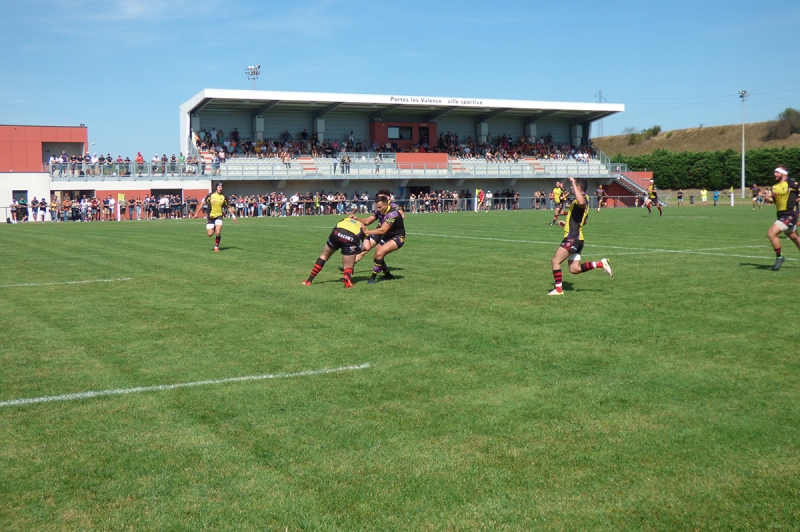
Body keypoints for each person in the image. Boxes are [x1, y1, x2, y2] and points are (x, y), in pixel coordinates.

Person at [549, 177, 613, 296]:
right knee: (574, 269)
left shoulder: (582, 199)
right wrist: (566, 222)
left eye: (573, 186)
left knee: (555, 261)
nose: (571, 188)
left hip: (572, 238)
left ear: (578, 187)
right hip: (578, 238)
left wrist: (573, 181)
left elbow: (581, 203)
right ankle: (600, 264)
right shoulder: (583, 200)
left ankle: (558, 289)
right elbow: (584, 220)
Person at [352, 191, 406, 284]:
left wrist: (366, 232)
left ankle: (373, 278)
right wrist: (357, 219)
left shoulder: (393, 214)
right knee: (376, 258)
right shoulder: (380, 211)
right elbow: (368, 221)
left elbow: (383, 230)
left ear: (386, 205)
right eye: (377, 207)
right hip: (386, 236)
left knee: (380, 254)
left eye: (380, 207)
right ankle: (388, 275)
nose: (378, 209)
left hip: (397, 237)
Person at [302, 216, 367, 288]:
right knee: (348, 267)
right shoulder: (363, 227)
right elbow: (366, 247)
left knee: (323, 256)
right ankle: (347, 278)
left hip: (336, 233)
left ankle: (309, 280)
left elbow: (336, 225)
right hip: (350, 239)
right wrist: (358, 248)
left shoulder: (346, 219)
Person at [767, 166, 800, 270]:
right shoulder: (775, 186)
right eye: (774, 172)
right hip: (781, 214)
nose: (774, 174)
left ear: (783, 173)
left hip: (790, 214)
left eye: (777, 172)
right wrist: (769, 199)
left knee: (771, 233)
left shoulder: (792, 184)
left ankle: (779, 257)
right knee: (795, 238)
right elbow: (775, 201)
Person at [195, 182, 237, 252]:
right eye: (219, 187)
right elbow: (203, 203)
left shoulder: (224, 197)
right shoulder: (210, 195)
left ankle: (216, 246)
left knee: (218, 232)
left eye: (221, 187)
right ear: (216, 187)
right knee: (210, 234)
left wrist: (233, 216)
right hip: (211, 217)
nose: (220, 188)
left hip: (219, 216)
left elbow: (228, 207)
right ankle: (214, 227)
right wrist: (196, 213)